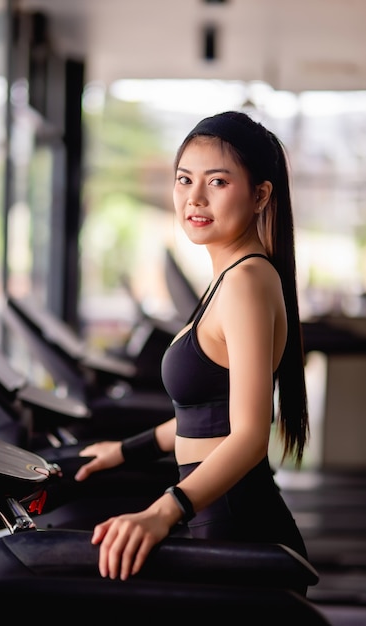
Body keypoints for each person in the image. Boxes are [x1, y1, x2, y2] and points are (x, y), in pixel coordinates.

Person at [74, 110, 310, 583]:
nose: (194, 198)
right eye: (184, 179)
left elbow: (247, 434)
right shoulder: (230, 277)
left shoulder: (246, 280)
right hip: (218, 514)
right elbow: (206, 415)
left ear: (261, 194)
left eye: (217, 182)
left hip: (233, 521)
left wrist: (164, 511)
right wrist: (124, 450)